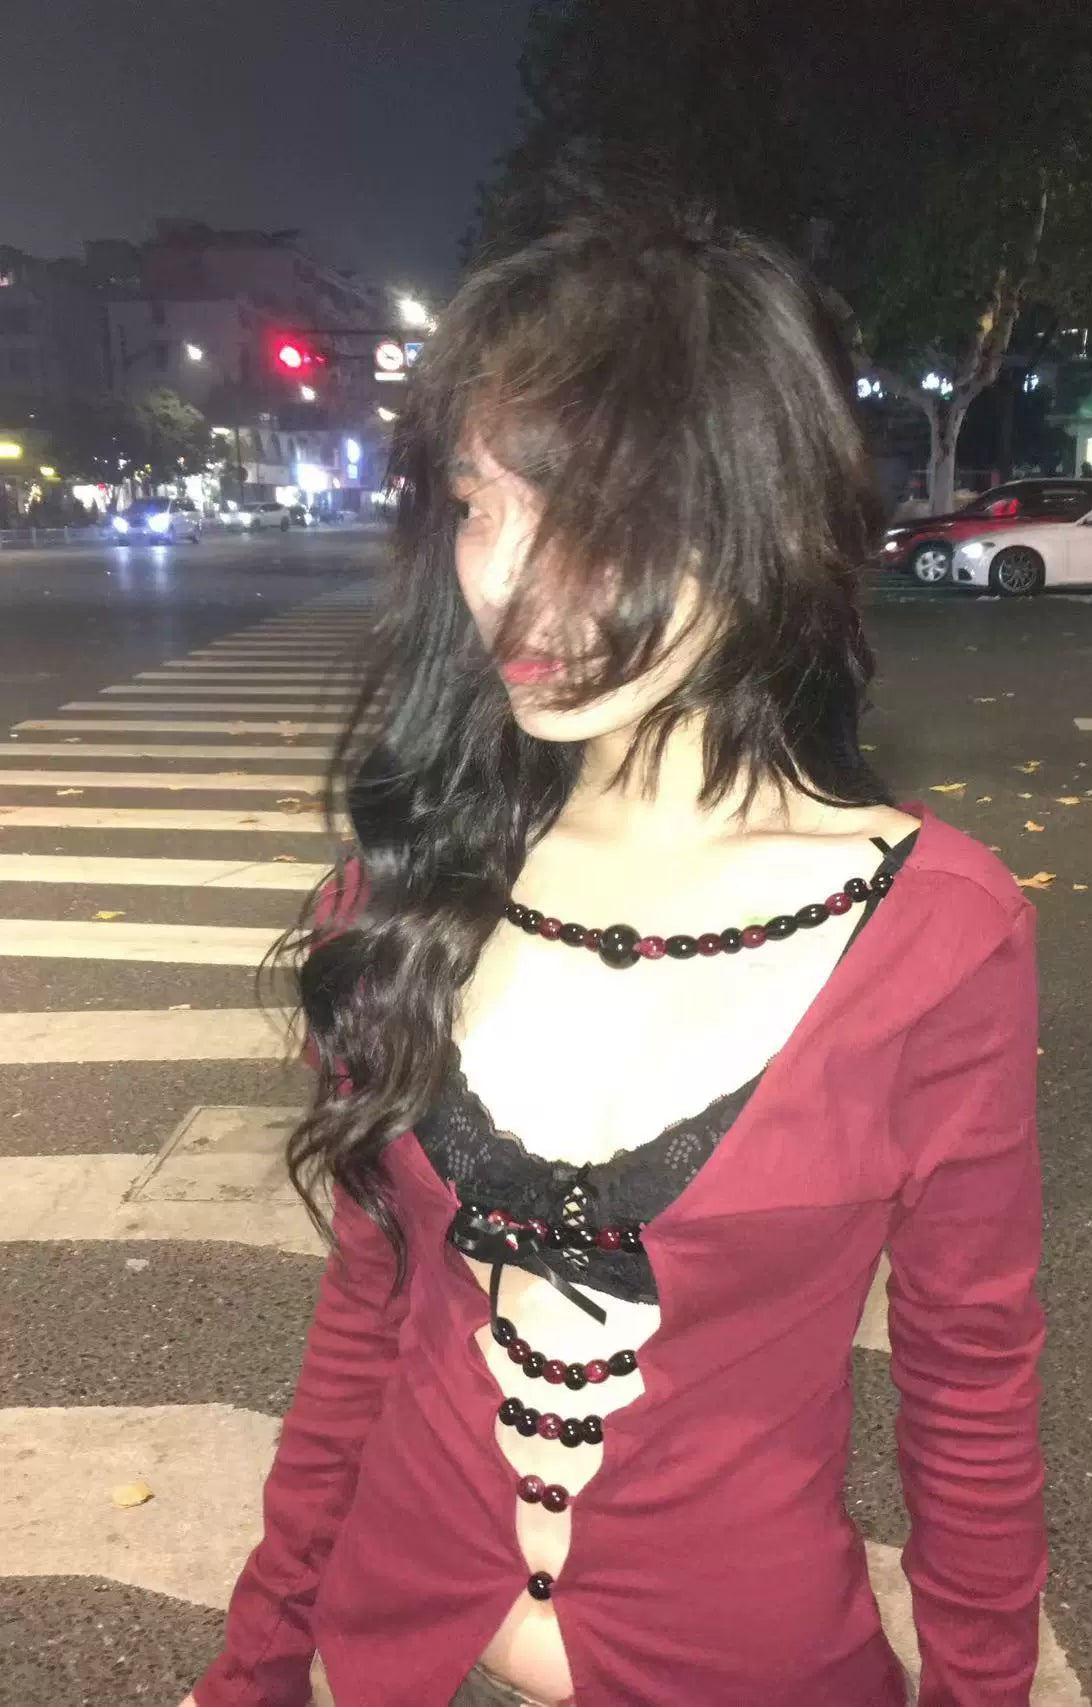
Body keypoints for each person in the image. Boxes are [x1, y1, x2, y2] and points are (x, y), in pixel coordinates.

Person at [183, 192, 1046, 1707]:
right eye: (480, 503)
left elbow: (969, 1399)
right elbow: (367, 1330)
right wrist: (253, 1669)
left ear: (763, 516)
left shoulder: (939, 934)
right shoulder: (409, 891)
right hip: (398, 1661)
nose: (511, 578)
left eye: (593, 510)